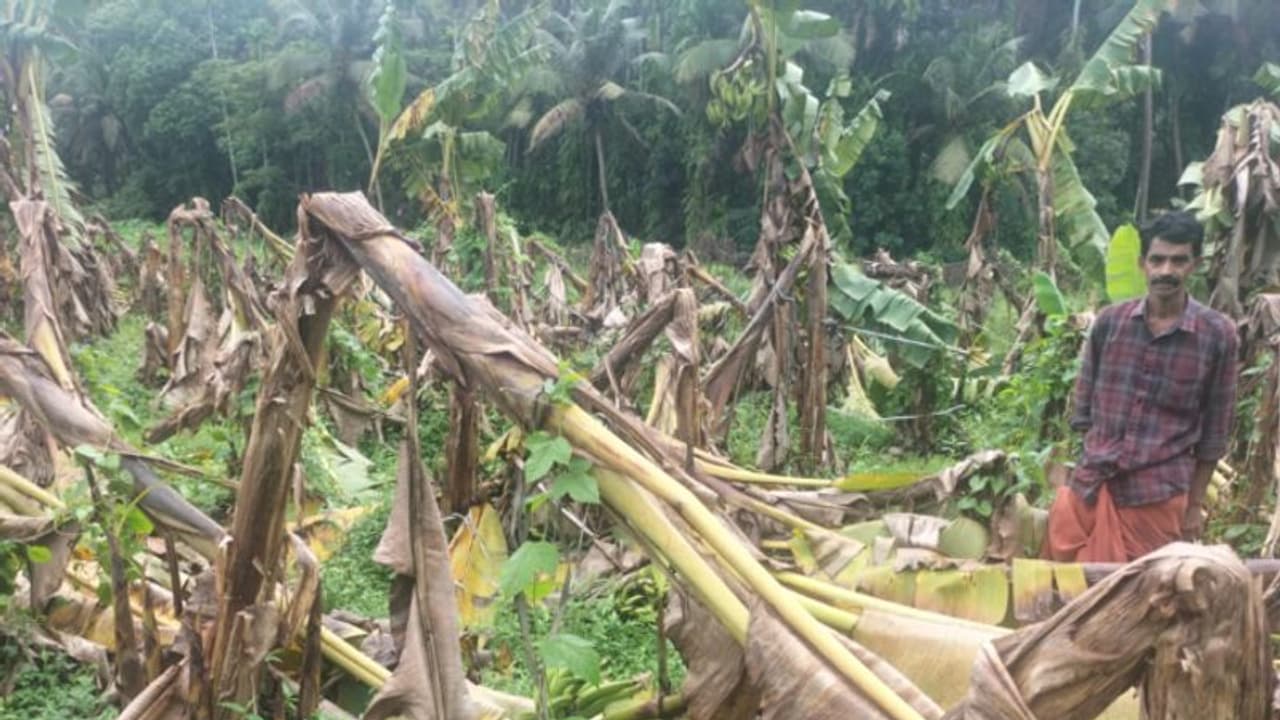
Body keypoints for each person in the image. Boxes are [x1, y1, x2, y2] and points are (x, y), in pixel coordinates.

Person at [1045, 211, 1238, 563]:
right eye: (1158, 259)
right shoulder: (1109, 324)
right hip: (1089, 491)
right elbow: (1083, 411)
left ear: (1194, 265)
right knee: (1067, 594)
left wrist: (1194, 507)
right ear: (1142, 264)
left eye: (1178, 261)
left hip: (1156, 499)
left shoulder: (1217, 335)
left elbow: (1215, 434)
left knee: (1145, 604)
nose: (1167, 270)